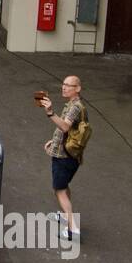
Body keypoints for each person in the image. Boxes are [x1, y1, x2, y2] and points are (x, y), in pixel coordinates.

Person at [38, 75, 84, 241]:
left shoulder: (75, 107)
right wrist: (54, 140)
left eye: (69, 85)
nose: (64, 87)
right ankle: (66, 217)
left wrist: (50, 112)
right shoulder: (72, 105)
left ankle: (73, 229)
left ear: (77, 88)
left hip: (64, 157)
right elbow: (68, 130)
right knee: (63, 187)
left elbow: (64, 126)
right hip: (68, 154)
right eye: (63, 84)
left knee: (59, 190)